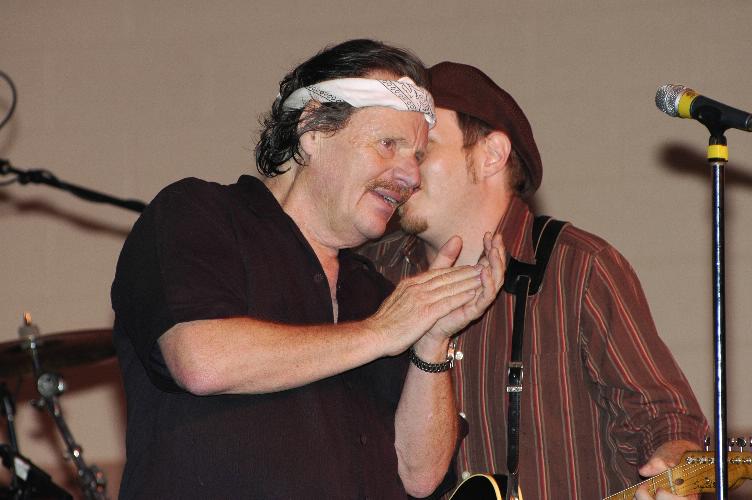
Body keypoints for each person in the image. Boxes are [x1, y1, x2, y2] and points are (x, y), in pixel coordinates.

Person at [110, 41, 505, 500]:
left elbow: (420, 476)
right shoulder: (198, 215)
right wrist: (381, 332)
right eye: (388, 144)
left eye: (416, 156)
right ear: (313, 129)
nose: (411, 176)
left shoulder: (375, 292)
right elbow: (201, 361)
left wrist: (431, 341)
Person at [359, 61, 708, 500]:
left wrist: (673, 461)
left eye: (422, 151)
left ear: (491, 155)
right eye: (395, 150)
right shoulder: (368, 272)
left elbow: (663, 420)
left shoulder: (579, 268)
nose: (403, 170)